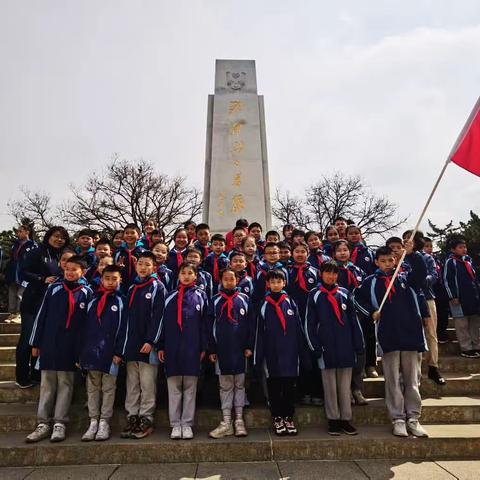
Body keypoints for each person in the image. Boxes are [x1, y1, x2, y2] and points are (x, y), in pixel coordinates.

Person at [355, 242, 429, 438]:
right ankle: (397, 418)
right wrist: (371, 312)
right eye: (383, 261)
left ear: (396, 260)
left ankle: (413, 417)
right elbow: (357, 298)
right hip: (388, 336)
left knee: (412, 380)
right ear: (377, 262)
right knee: (392, 380)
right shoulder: (371, 281)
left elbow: (421, 272)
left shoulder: (406, 278)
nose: (387, 264)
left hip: (411, 334)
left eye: (390, 260)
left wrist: (412, 254)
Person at [25, 255, 92, 443]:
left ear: (83, 272)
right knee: (47, 385)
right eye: (67, 268)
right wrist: (35, 343)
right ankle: (43, 423)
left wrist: (82, 350)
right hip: (49, 344)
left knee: (66, 384)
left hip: (71, 347)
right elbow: (41, 316)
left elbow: (87, 325)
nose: (70, 272)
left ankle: (59, 423)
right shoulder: (53, 289)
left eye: (74, 269)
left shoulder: (87, 293)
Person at [305, 261, 364, 435]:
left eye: (334, 273)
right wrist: (315, 346)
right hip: (326, 347)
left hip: (346, 346)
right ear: (321, 274)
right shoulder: (314, 294)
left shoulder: (345, 293)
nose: (331, 276)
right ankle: (333, 419)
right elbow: (309, 323)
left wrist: (358, 344)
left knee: (345, 386)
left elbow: (354, 321)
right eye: (328, 273)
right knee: (330, 386)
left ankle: (345, 418)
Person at [158, 262, 209, 440]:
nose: (186, 276)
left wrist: (204, 346)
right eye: (183, 273)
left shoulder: (201, 296)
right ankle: (175, 424)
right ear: (178, 276)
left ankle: (187, 423)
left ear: (196, 276)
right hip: (172, 346)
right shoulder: (169, 296)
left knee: (190, 387)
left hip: (192, 346)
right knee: (173, 388)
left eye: (190, 273)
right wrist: (161, 345)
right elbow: (162, 323)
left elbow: (204, 324)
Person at [118, 252, 166, 439]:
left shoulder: (157, 286)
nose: (143, 267)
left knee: (147, 384)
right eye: (140, 264)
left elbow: (159, 316)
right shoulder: (132, 288)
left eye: (147, 264)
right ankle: (132, 416)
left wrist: (151, 340)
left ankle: (146, 417)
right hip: (131, 344)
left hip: (148, 345)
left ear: (154, 267)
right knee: (133, 384)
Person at [16, 226, 69, 389]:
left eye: (63, 237)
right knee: (27, 340)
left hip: (50, 306)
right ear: (48, 236)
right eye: (56, 236)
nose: (59, 239)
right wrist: (42, 279)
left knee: (40, 340)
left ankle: (36, 373)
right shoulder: (37, 251)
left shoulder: (62, 255)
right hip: (33, 302)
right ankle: (22, 376)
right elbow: (23, 271)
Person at [253, 269, 304, 436]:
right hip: (271, 354)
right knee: (274, 387)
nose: (275, 285)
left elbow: (298, 328)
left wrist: (301, 350)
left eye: (278, 282)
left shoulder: (290, 302)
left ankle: (289, 417)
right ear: (268, 284)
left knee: (289, 387)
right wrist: (258, 356)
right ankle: (277, 417)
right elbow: (259, 332)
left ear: (284, 283)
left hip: (290, 353)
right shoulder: (264, 304)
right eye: (272, 282)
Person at [79, 265, 125, 441]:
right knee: (92, 388)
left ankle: (104, 421)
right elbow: (83, 328)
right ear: (101, 279)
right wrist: (81, 352)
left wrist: (119, 352)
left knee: (109, 388)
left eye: (115, 279)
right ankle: (93, 421)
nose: (111, 282)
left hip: (111, 354)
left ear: (120, 280)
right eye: (107, 278)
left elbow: (123, 330)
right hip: (91, 352)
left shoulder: (121, 301)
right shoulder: (92, 300)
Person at [208, 267, 251, 438]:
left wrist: (248, 346)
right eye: (225, 279)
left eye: (232, 279)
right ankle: (226, 421)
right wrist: (212, 348)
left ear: (237, 280)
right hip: (222, 350)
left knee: (239, 384)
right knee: (225, 385)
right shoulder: (215, 300)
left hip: (240, 350)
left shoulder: (245, 299)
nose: (229, 282)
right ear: (221, 281)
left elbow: (249, 325)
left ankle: (239, 420)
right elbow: (209, 327)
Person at [403, 230, 445, 385]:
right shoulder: (401, 257)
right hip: (408, 301)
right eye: (405, 238)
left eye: (411, 238)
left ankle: (433, 367)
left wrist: (420, 281)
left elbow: (433, 275)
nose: (407, 241)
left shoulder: (427, 257)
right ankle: (414, 371)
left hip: (426, 298)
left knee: (431, 334)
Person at [332, 240, 368, 405]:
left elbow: (364, 293)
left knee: (359, 352)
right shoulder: (332, 271)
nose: (342, 253)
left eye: (345, 250)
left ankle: (357, 388)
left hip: (358, 316)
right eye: (339, 250)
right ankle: (345, 390)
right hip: (339, 317)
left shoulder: (358, 270)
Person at [287, 242, 322, 406]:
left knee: (313, 358)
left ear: (308, 254)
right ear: (292, 253)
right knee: (298, 358)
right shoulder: (287, 273)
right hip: (293, 320)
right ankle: (302, 392)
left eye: (303, 251)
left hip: (312, 322)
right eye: (297, 251)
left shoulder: (315, 272)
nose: (300, 254)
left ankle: (316, 392)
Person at [443, 234, 480, 358]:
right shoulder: (450, 262)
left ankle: (476, 345)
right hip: (459, 299)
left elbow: (475, 278)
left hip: (473, 298)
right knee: (462, 324)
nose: (464, 249)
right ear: (453, 250)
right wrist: (452, 296)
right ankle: (466, 348)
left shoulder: (468, 261)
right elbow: (447, 280)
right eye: (460, 247)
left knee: (474, 323)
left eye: (465, 247)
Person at [5, 225, 36, 321]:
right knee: (12, 292)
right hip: (13, 272)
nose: (18, 233)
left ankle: (19, 314)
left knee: (21, 293)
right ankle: (12, 313)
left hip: (25, 273)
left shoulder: (33, 245)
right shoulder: (15, 244)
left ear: (27, 232)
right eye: (17, 231)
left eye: (20, 231)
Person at [423, 237, 450, 343]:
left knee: (443, 312)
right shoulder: (421, 259)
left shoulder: (436, 259)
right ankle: (437, 333)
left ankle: (442, 332)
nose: (429, 248)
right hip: (429, 289)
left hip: (440, 289)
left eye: (431, 246)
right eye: (426, 246)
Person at [114, 224, 145, 294]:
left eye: (132, 233)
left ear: (139, 236)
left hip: (139, 287)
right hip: (120, 288)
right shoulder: (118, 252)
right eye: (127, 233)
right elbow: (112, 270)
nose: (129, 235)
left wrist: (138, 268)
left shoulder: (144, 253)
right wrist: (117, 267)